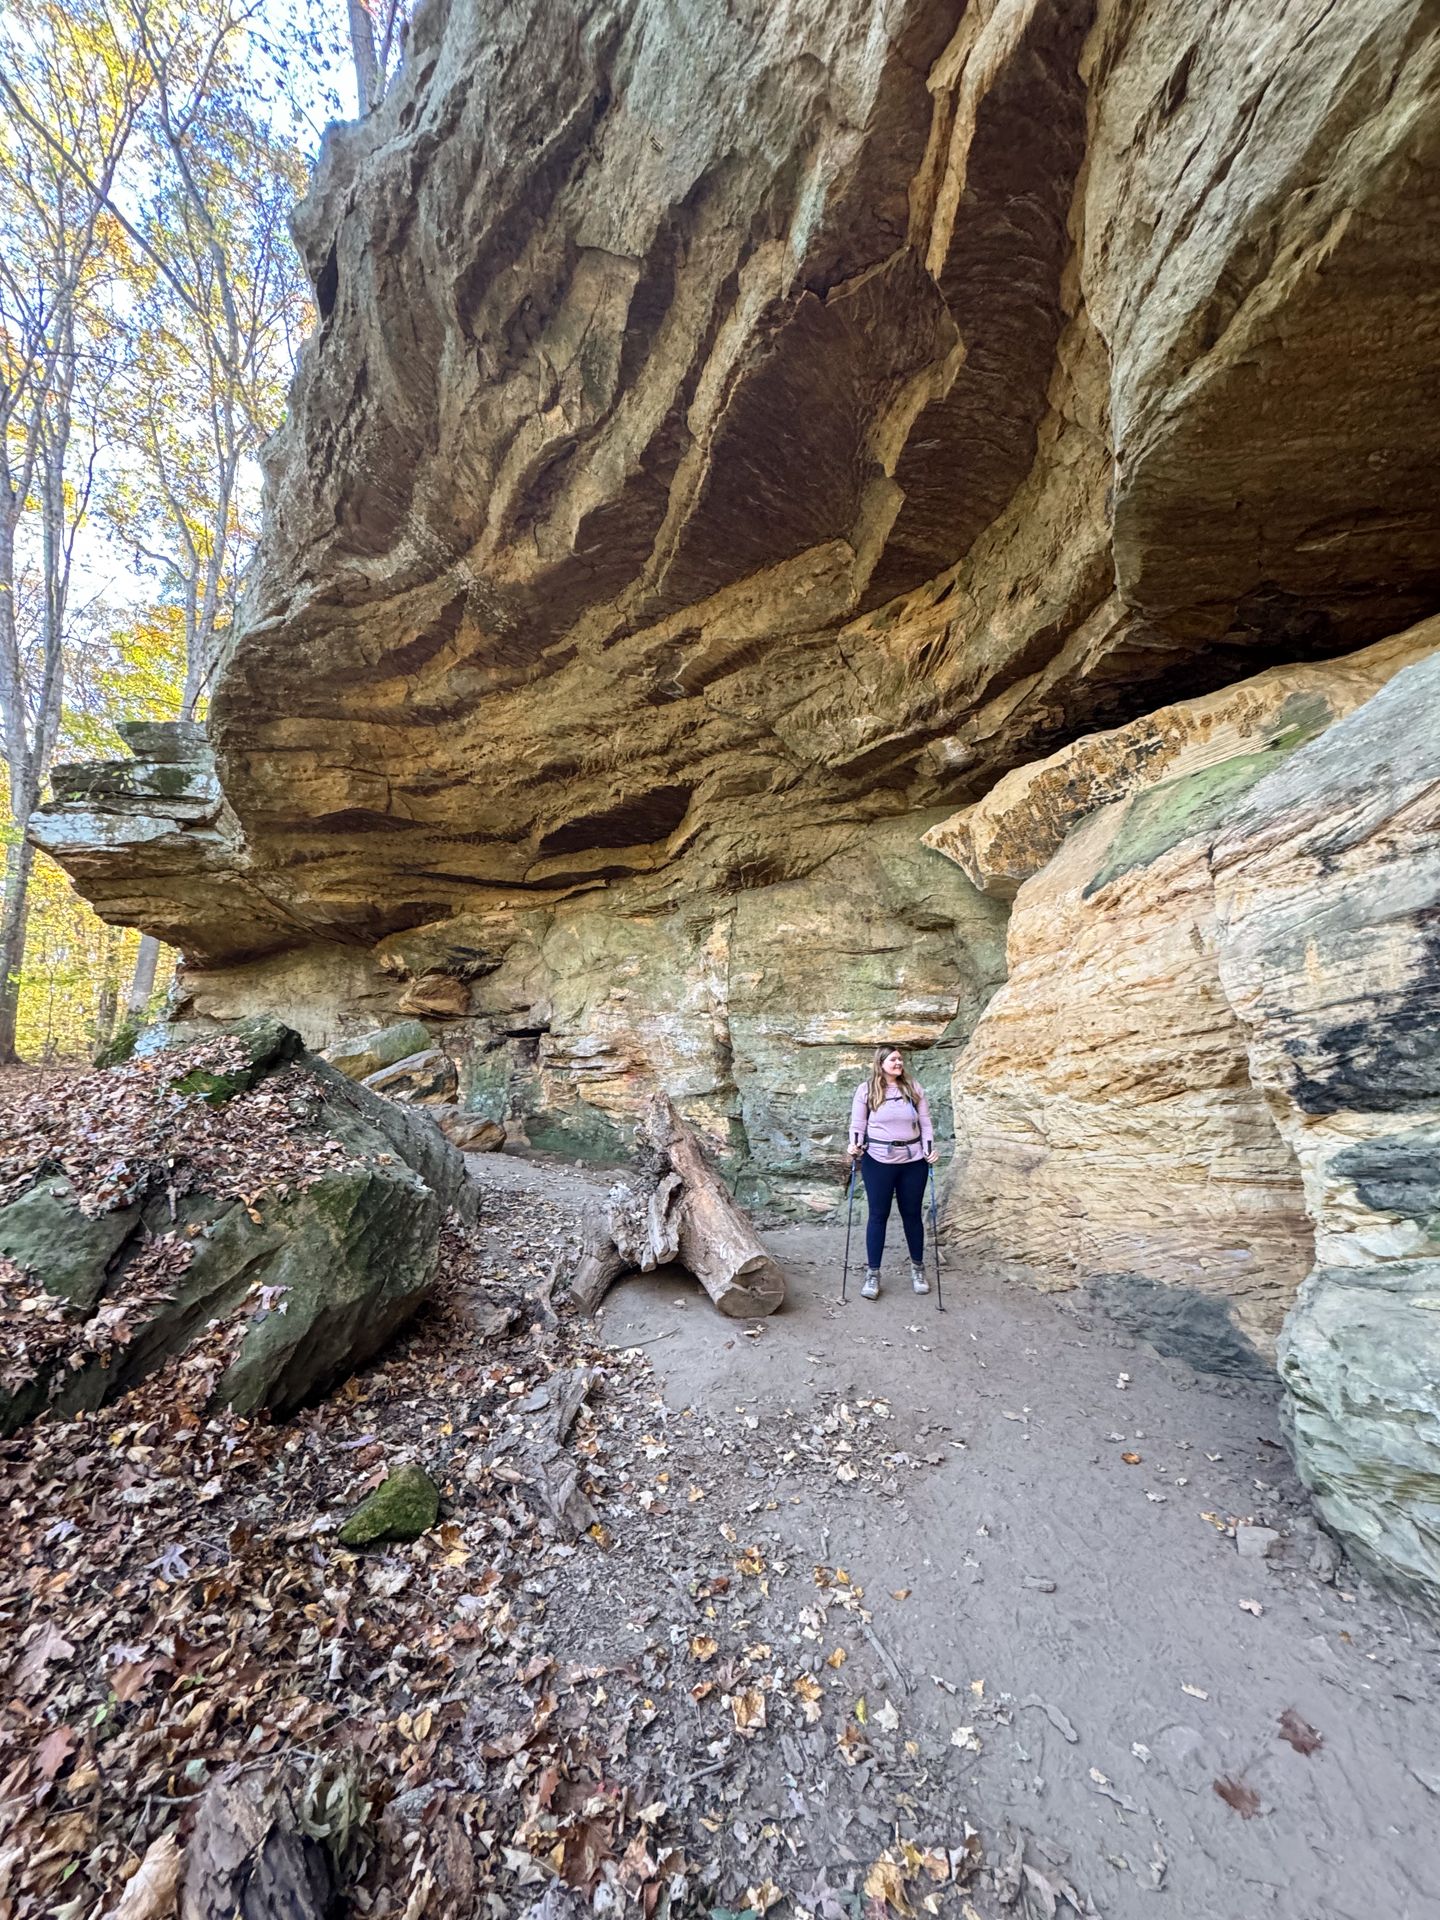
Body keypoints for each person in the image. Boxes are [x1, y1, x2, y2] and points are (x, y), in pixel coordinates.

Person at [847, 1045, 937, 1299]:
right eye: (893, 1059)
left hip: (913, 1160)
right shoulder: (866, 1090)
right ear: (881, 1062)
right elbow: (858, 1123)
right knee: (878, 1215)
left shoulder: (913, 1087)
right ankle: (873, 1273)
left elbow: (925, 1123)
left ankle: (918, 1269)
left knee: (911, 1215)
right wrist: (854, 1144)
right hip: (878, 1159)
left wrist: (930, 1149)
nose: (899, 1063)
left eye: (900, 1059)